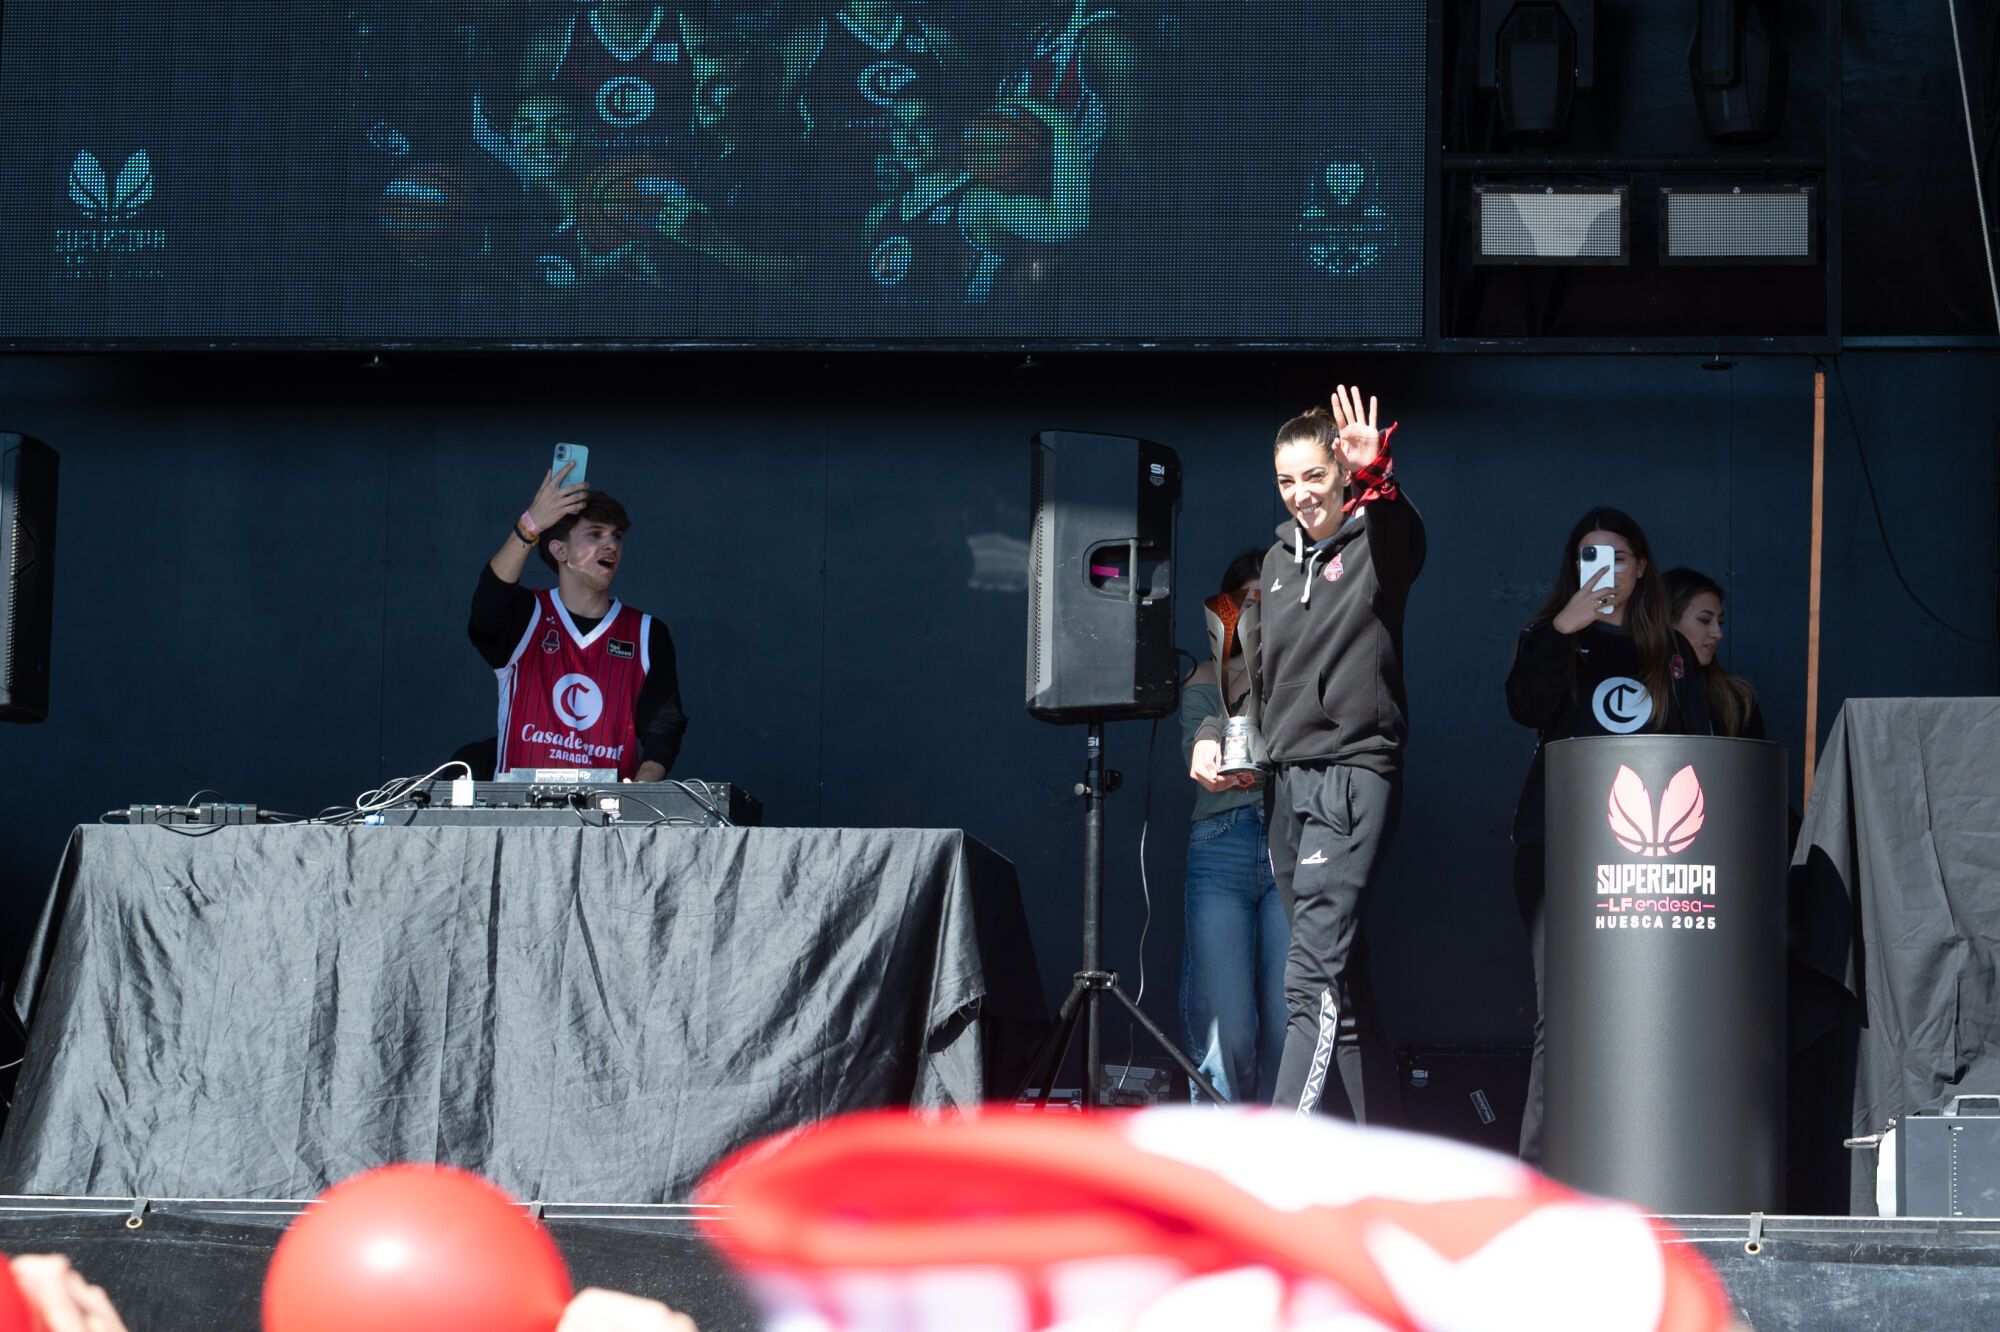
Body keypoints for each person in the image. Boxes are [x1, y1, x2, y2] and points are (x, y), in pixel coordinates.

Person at [1191, 386, 1425, 1119]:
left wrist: (1379, 479)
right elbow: (1257, 688)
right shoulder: (1276, 560)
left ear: (1343, 472)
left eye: (1314, 476)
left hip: (1352, 775)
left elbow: (1403, 540)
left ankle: (1277, 1163)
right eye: (1286, 481)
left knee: (1308, 979)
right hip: (1284, 789)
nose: (1301, 494)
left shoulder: (1374, 544)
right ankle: (1378, 1165)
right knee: (1339, 987)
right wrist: (1216, 739)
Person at [1505, 509, 1711, 1161]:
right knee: (1561, 1012)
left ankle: (1641, 1158)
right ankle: (1543, 1169)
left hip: (1646, 855)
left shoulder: (1668, 650)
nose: (1605, 571)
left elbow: (1698, 747)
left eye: (1617, 558)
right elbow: (1524, 708)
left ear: (1642, 566)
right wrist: (1561, 629)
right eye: (1589, 558)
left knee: (1646, 1005)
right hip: (1559, 845)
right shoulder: (1549, 635)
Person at [468, 462, 687, 781]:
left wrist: (640, 793)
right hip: (517, 817)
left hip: (607, 823)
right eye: (595, 534)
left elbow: (664, 728)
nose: (611, 544)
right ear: (560, 550)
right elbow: (487, 608)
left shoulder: (647, 633)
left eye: (616, 536)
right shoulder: (528, 615)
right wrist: (530, 526)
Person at [1178, 550, 1287, 1104]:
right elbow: (1199, 739)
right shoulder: (1204, 675)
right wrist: (1206, 743)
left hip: (1288, 844)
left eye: (1270, 601)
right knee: (1229, 1027)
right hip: (1221, 847)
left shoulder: (1299, 668)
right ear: (1226, 609)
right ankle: (1218, 1169)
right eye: (1247, 601)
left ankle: (1280, 1169)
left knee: (1288, 1019)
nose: (1257, 614)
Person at [1664, 567, 1766, 740]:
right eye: (1705, 620)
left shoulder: (1736, 696)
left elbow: (1756, 764)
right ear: (1667, 620)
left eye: (1720, 622)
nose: (1718, 633)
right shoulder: (1634, 688)